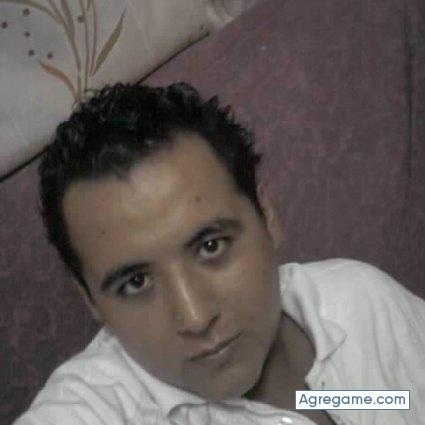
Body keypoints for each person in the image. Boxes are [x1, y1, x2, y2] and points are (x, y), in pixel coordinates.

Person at [14, 82, 425, 425]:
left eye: (211, 246)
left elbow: (388, 401)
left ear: (266, 216)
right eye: (136, 282)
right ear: (89, 299)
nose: (195, 317)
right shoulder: (93, 410)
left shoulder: (358, 300)